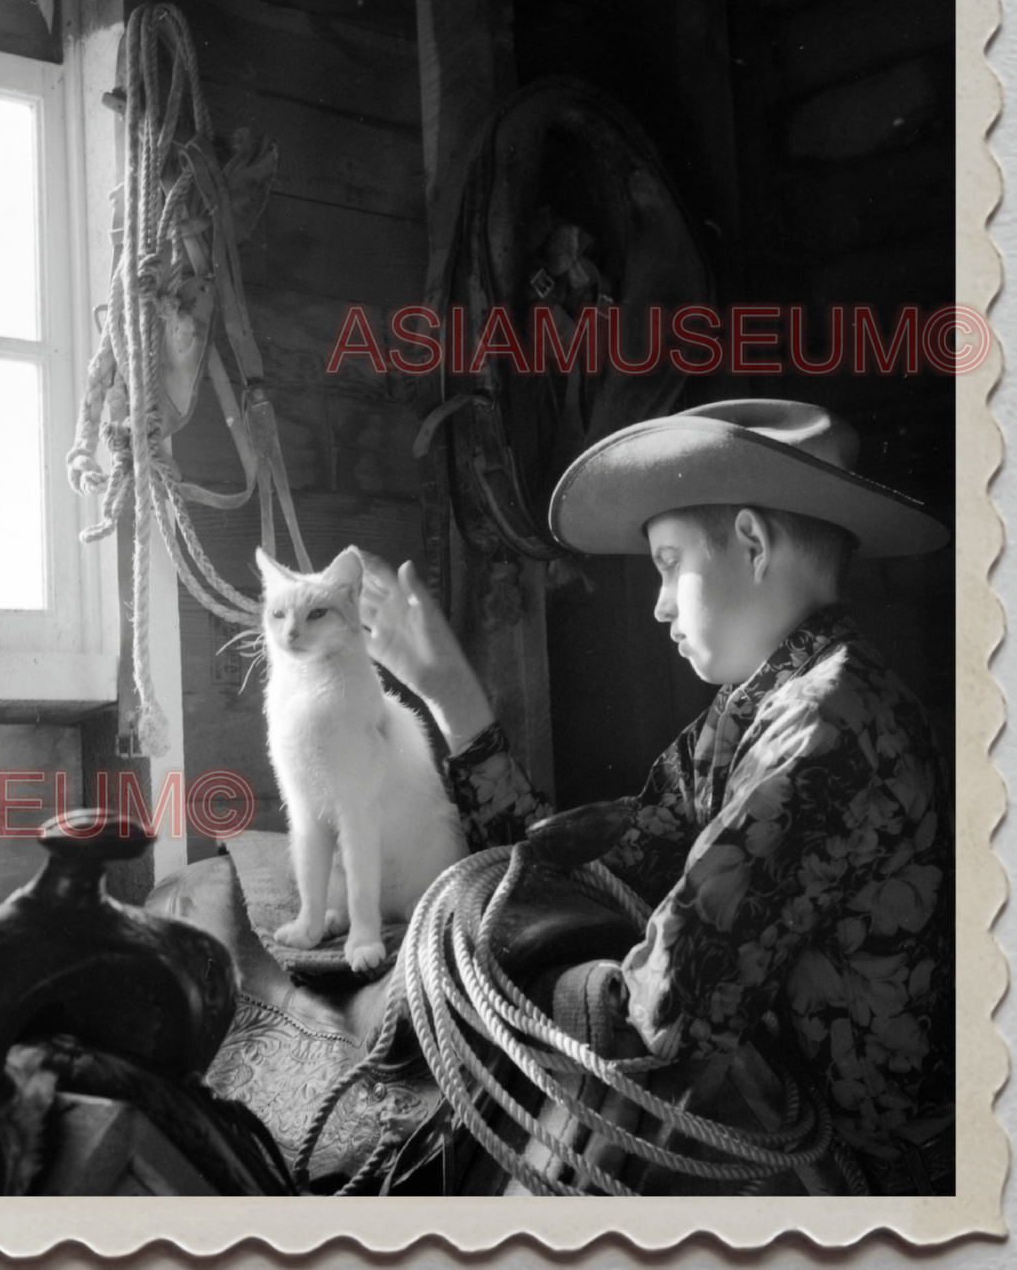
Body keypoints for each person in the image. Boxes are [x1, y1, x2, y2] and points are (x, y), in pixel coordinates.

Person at [358, 399, 955, 1195]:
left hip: (859, 1175)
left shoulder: (828, 725)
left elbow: (666, 1014)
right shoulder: (757, 706)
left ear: (750, 541)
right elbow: (596, 870)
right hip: (762, 1115)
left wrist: (512, 961)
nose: (659, 604)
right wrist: (453, 700)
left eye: (670, 562)